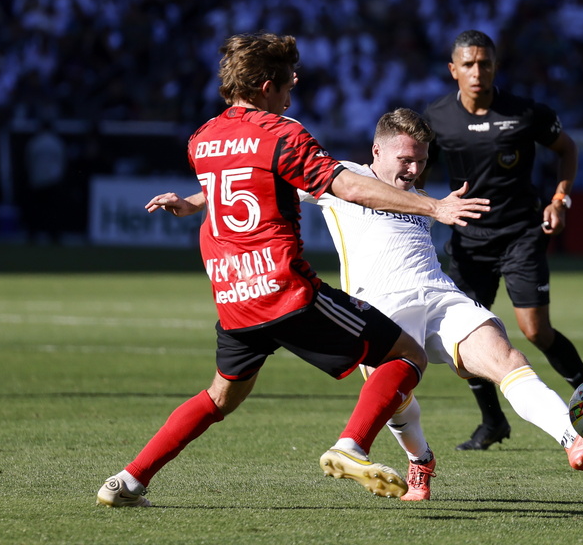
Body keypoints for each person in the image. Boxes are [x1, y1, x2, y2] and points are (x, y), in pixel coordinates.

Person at [95, 32, 490, 507]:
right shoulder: (284, 133)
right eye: (287, 82)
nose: (293, 87)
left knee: (221, 396)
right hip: (285, 289)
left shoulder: (203, 138)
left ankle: (128, 480)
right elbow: (349, 186)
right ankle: (351, 446)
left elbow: (242, 178)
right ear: (265, 87)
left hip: (234, 292)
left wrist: (194, 202)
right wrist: (433, 209)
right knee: (406, 356)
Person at [299, 108, 583, 500]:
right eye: (406, 159)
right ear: (376, 150)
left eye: (423, 160)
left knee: (507, 358)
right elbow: (268, 179)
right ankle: (422, 459)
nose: (414, 169)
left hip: (439, 296)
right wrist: (213, 192)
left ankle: (573, 438)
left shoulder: (421, 200)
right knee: (402, 410)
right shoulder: (343, 177)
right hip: (380, 312)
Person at [421, 30, 583, 451]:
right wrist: (426, 204)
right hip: (468, 242)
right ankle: (493, 422)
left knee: (535, 331)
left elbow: (566, 149)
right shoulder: (437, 118)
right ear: (453, 70)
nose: (477, 72)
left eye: (485, 64)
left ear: (495, 67)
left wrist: (560, 199)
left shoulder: (525, 112)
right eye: (468, 64)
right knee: (466, 337)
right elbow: (417, 170)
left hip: (521, 234)